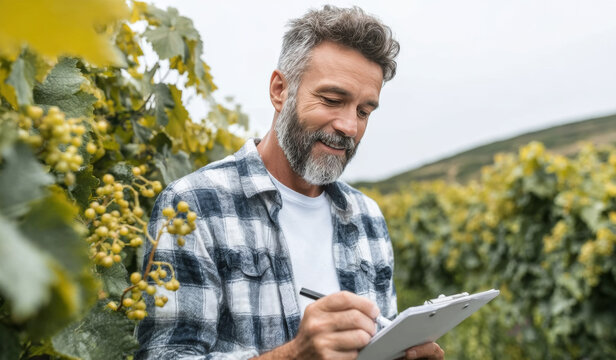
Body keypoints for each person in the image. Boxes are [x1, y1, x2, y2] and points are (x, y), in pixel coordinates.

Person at [135, 5, 444, 360]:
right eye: (332, 100)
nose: (350, 126)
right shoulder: (193, 205)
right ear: (280, 90)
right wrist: (295, 355)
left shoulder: (367, 217)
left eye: (363, 111)